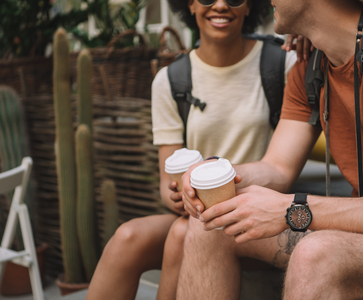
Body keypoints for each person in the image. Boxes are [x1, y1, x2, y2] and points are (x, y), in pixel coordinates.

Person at [177, 0, 363, 299]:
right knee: (215, 225)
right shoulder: (312, 64)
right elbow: (277, 168)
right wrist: (217, 172)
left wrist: (293, 208)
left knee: (315, 254)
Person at [84, 0, 297, 299]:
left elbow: (284, 163)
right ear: (190, 5)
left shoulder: (281, 64)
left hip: (256, 207)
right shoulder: (171, 80)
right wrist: (177, 195)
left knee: (182, 233)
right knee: (127, 237)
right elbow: (166, 181)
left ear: (250, 6)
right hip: (196, 210)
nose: (220, 5)